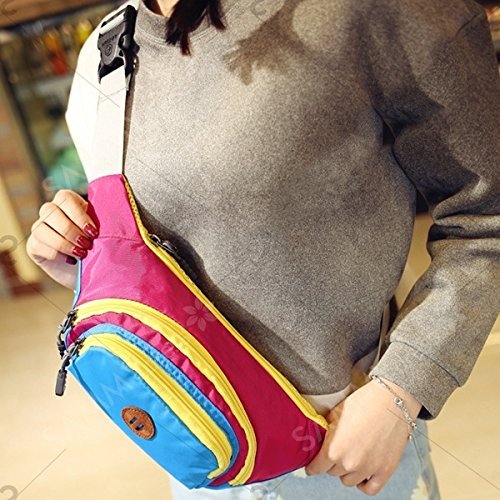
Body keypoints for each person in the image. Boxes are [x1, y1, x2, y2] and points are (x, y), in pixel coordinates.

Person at [26, 0, 500, 498]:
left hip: (339, 461)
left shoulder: (363, 11)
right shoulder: (104, 56)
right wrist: (82, 262)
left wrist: (401, 390)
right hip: (199, 456)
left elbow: (485, 217)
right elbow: (166, 256)